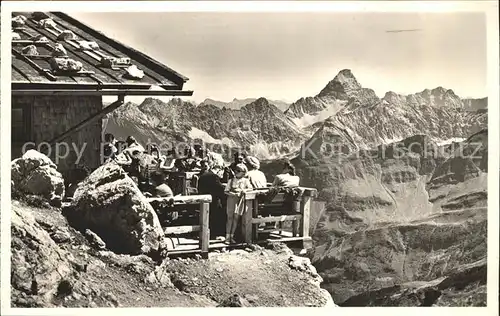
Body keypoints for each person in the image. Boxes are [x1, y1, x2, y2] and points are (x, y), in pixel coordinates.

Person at [224, 163, 253, 244]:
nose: (236, 172)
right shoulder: (231, 180)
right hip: (231, 200)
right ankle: (227, 237)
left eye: (238, 171)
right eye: (235, 170)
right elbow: (226, 191)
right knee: (230, 218)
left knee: (236, 218)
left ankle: (232, 236)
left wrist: (245, 190)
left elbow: (251, 188)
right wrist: (233, 194)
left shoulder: (246, 181)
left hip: (239, 201)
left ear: (243, 172)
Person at [197, 159, 226, 239]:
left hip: (204, 200)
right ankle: (218, 234)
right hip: (213, 203)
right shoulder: (214, 177)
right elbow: (220, 191)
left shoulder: (203, 176)